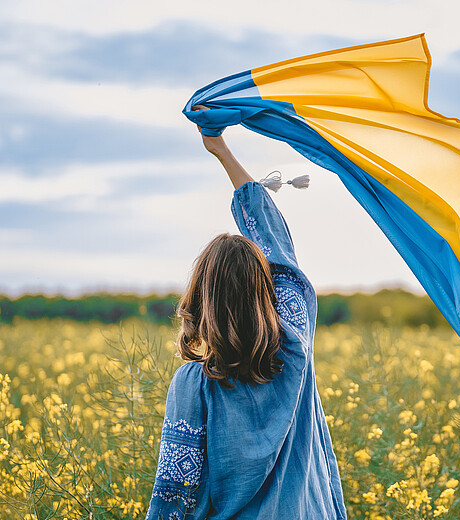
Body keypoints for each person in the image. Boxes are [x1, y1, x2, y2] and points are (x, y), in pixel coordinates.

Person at [144, 128, 347, 520]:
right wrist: (221, 149)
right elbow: (277, 245)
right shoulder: (294, 346)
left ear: (202, 301)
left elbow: (174, 492)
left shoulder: (194, 386)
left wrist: (216, 148)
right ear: (266, 293)